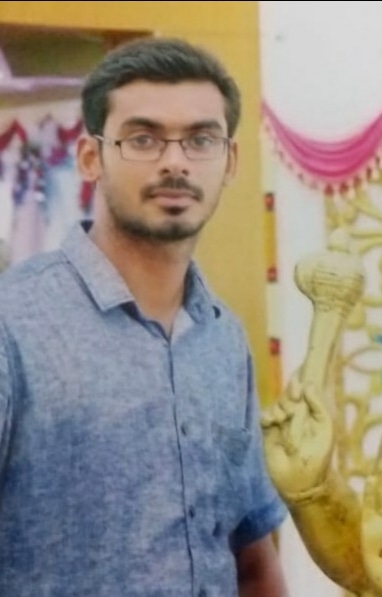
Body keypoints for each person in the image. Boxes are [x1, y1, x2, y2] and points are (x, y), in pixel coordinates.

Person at [0, 37, 289, 597]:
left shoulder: (223, 338)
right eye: (143, 139)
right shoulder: (14, 325)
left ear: (229, 161)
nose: (175, 161)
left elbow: (251, 554)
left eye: (200, 139)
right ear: (90, 157)